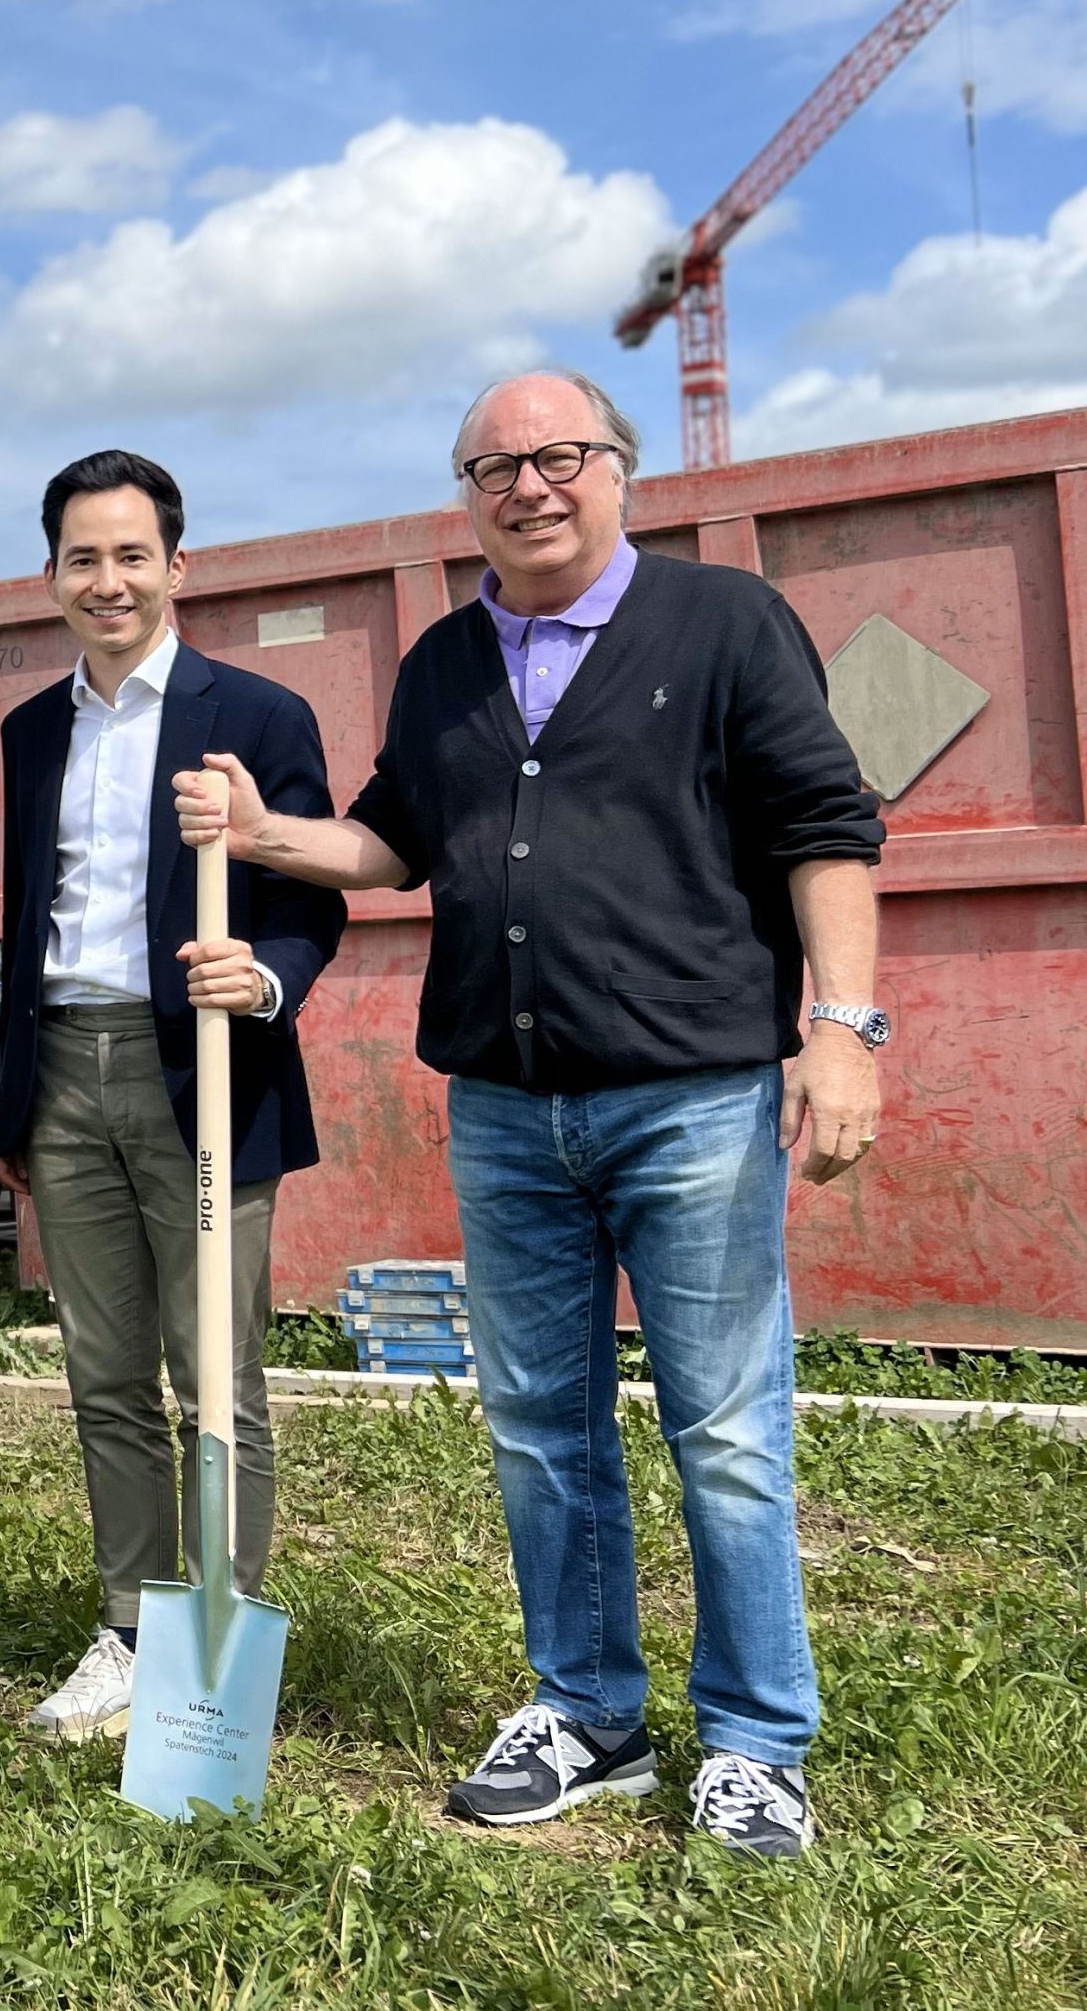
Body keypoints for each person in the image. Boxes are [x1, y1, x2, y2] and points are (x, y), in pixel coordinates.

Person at [186, 370, 886, 1859]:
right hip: (506, 1109)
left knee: (728, 1428)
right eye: (494, 464)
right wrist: (267, 835)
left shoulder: (723, 625)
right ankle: (591, 1714)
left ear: (620, 470)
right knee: (540, 1429)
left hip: (690, 1098)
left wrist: (843, 1028)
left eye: (561, 454)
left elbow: (827, 826)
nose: (530, 484)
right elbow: (392, 837)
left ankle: (758, 1741)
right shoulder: (446, 659)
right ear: (469, 496)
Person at [0, 450, 347, 1744]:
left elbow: (316, 903)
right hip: (66, 1071)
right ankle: (133, 1624)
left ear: (176, 568)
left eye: (132, 554)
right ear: (52, 577)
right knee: (102, 1371)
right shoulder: (32, 731)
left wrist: (261, 979)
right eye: (83, 557)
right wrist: (15, 1099)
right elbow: (33, 924)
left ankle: (221, 1631)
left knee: (218, 1370)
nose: (109, 579)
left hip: (201, 1066)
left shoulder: (253, 716)